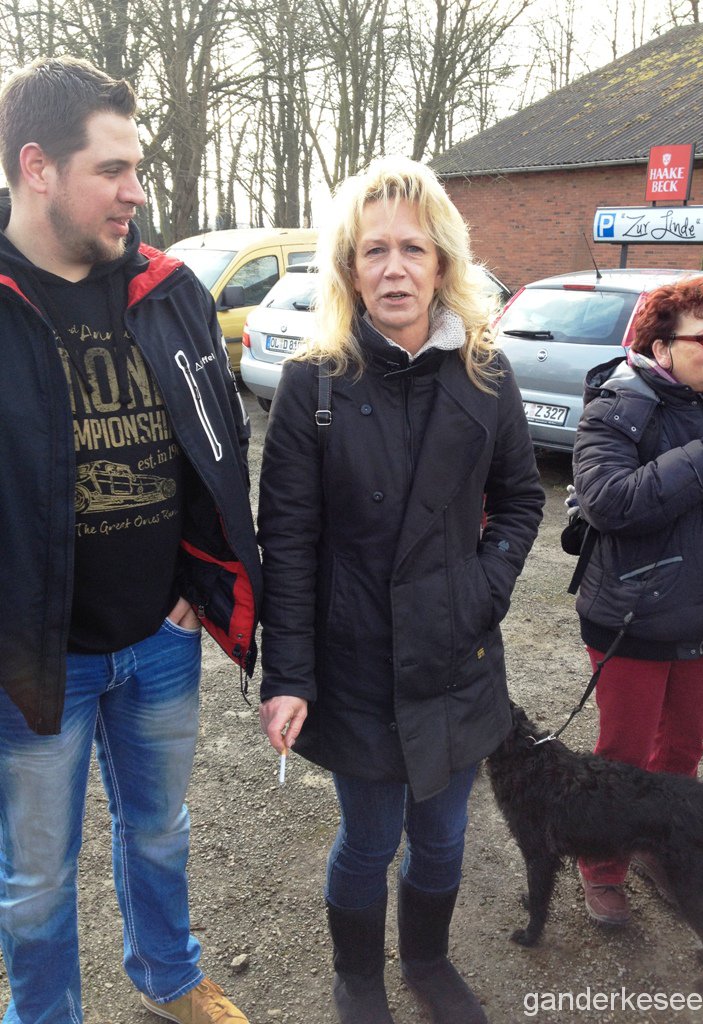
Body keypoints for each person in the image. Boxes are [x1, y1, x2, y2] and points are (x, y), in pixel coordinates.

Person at [0, 57, 261, 1024]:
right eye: (112, 169)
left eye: (137, 168)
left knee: (160, 831)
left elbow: (219, 438)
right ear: (37, 167)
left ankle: (168, 974)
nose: (135, 192)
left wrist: (201, 575)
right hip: (34, 660)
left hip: (160, 637)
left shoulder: (168, 289)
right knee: (36, 875)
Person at [257, 156, 544, 1024]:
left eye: (412, 249)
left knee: (445, 836)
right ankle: (358, 977)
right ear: (349, 269)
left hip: (457, 656)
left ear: (442, 262)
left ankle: (427, 958)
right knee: (370, 838)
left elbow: (523, 499)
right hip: (357, 662)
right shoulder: (313, 383)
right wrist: (288, 675)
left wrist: (483, 588)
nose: (393, 269)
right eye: (373, 251)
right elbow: (289, 543)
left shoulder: (487, 374)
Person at [571, 274, 703, 926]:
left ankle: (659, 851)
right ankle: (602, 867)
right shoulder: (617, 406)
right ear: (662, 348)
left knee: (681, 753)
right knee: (623, 758)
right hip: (635, 617)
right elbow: (609, 502)